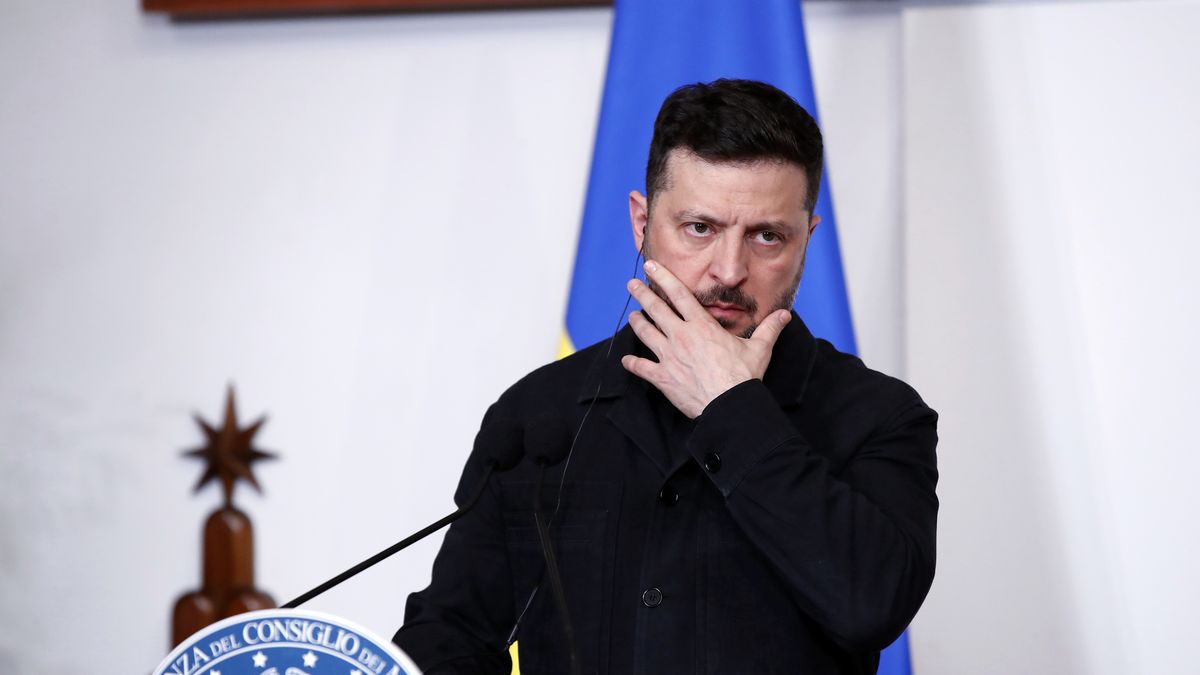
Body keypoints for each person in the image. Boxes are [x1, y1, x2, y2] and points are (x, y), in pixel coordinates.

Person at [394, 79, 938, 675]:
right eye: (700, 228)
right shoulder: (537, 417)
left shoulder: (880, 417)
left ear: (806, 239)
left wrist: (734, 409)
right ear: (641, 222)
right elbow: (447, 639)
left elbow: (871, 606)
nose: (729, 271)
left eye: (767, 236)